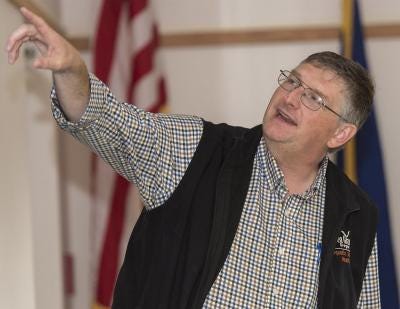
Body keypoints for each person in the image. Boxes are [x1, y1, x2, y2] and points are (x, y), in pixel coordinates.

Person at [6, 7, 380, 309]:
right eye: (292, 81)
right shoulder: (196, 150)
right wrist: (72, 70)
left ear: (341, 133)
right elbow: (106, 122)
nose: (291, 98)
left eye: (314, 98)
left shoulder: (356, 213)